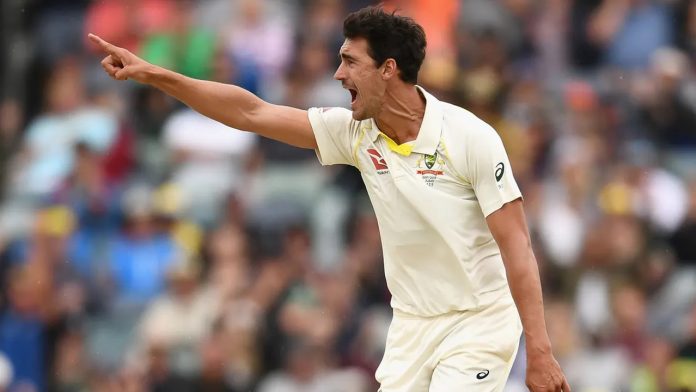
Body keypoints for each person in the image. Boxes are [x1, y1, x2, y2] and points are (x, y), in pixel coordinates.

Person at [89, 6, 570, 391]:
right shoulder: (355, 134)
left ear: (388, 69)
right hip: (412, 327)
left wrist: (541, 351)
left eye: (350, 62)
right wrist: (156, 76)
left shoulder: (470, 137)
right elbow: (250, 112)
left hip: (479, 320)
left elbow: (518, 250)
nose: (338, 75)